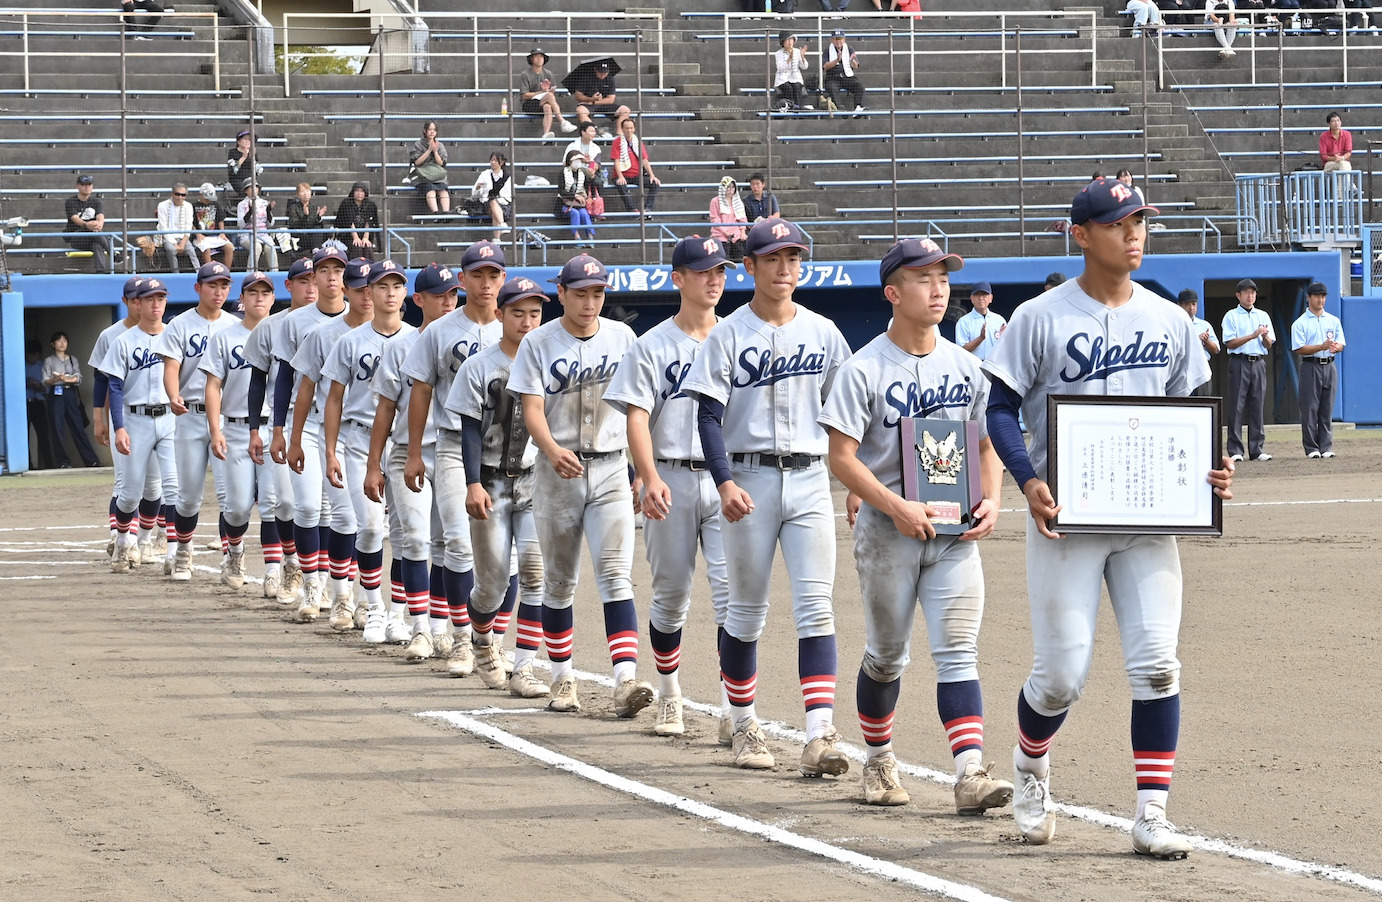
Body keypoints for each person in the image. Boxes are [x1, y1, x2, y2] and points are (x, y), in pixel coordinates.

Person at [980, 177, 1235, 858]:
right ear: (1082, 234)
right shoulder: (1040, 316)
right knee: (1062, 674)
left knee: (1157, 667)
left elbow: (1195, 415)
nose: (1135, 234)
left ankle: (1152, 812)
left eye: (1141, 222)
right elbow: (999, 408)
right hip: (1066, 517)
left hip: (1149, 523)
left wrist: (1215, 467)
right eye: (1120, 222)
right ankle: (1031, 764)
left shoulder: (1171, 321)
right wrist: (1027, 479)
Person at [818, 236, 1012, 812]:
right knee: (886, 655)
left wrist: (994, 499)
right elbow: (842, 457)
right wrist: (893, 504)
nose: (938, 287)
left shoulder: (967, 365)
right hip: (886, 531)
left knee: (958, 653)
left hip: (952, 531)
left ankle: (970, 773)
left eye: (943, 277)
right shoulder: (864, 368)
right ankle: (878, 763)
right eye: (925, 277)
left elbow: (987, 442)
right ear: (892, 292)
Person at [683, 218, 852, 775]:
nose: (785, 268)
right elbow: (708, 415)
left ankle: (820, 732)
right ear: (748, 267)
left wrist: (858, 483)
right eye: (773, 258)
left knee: (816, 605)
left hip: (809, 479)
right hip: (749, 480)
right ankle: (745, 720)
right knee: (746, 609)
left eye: (793, 258)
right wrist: (724, 480)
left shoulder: (825, 332)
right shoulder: (728, 334)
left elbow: (849, 419)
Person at [507, 253, 656, 717]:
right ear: (562, 294)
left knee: (616, 578)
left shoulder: (623, 337)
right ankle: (562, 677)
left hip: (611, 467)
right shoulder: (538, 342)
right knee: (559, 583)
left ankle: (625, 679)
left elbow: (636, 410)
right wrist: (550, 449)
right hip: (557, 472)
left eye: (597, 292)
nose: (590, 302)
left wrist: (641, 470)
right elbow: (531, 407)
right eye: (580, 293)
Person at [605, 235, 734, 738]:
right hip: (671, 476)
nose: (714, 279)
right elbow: (637, 417)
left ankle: (733, 707)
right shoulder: (652, 345)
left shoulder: (736, 337)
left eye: (719, 270)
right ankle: (670, 692)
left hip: (726, 481)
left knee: (733, 598)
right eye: (703, 271)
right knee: (671, 595)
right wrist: (648, 475)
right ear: (678, 278)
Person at [401, 241, 506, 675]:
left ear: (502, 278)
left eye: (493, 274)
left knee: (505, 555)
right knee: (459, 544)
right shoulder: (439, 331)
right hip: (449, 445)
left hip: (507, 451)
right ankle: (463, 639)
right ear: (462, 281)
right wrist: (411, 452)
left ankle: (493, 639)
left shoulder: (516, 329)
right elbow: (421, 391)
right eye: (477, 275)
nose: (485, 283)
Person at [446, 276, 549, 692]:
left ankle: (524, 666)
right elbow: (469, 431)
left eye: (535, 314)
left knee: (536, 572)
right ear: (501, 314)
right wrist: (472, 483)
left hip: (535, 481)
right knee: (491, 584)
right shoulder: (479, 365)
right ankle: (482, 639)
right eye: (518, 313)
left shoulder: (547, 360)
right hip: (490, 480)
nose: (527, 322)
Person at [364, 263, 457, 663]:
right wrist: (374, 465)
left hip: (453, 452)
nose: (448, 302)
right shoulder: (400, 347)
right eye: (439, 295)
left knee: (446, 543)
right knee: (416, 538)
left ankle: (440, 627)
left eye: (453, 294)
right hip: (407, 452)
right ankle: (420, 627)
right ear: (418, 301)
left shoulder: (467, 346)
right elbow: (385, 410)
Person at [322, 259, 415, 643]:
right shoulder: (350, 341)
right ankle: (372, 605)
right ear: (368, 293)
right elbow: (333, 399)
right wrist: (330, 451)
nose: (390, 292)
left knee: (409, 534)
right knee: (372, 526)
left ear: (405, 293)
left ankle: (398, 612)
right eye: (382, 286)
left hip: (407, 441)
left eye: (397, 285)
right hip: (359, 439)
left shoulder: (417, 338)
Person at [272, 247, 350, 622]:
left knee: (342, 513)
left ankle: (343, 591)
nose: (332, 276)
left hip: (352, 426)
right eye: (325, 270)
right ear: (314, 277)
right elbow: (288, 378)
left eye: (339, 269)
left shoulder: (362, 317)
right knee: (306, 507)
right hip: (311, 421)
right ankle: (311, 584)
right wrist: (285, 431)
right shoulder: (295, 321)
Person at [158, 261, 238, 581]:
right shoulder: (180, 324)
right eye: (212, 285)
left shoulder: (236, 326)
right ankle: (183, 551)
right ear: (198, 288)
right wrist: (173, 394)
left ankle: (232, 556)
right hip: (190, 415)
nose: (218, 292)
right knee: (188, 496)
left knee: (230, 496)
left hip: (226, 419)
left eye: (224, 286)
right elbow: (171, 366)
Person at [244, 257, 317, 602]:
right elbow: (258, 380)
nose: (311, 287)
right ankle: (290, 565)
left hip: (327, 423)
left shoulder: (340, 322)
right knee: (284, 503)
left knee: (325, 509)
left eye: (314, 280)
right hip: (283, 419)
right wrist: (256, 428)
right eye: (303, 281)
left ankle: (329, 583)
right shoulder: (270, 327)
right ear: (289, 287)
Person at [202, 271, 278, 590]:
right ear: (242, 299)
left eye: (265, 292)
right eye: (253, 292)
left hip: (275, 427)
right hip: (235, 428)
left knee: (275, 503)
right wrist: (215, 429)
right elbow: (213, 385)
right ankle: (235, 551)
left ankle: (275, 570)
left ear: (273, 298)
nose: (259, 297)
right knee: (236, 507)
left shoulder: (283, 334)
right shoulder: (224, 337)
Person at [100, 279, 178, 573]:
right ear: (138, 303)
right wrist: (118, 426)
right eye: (150, 299)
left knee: (172, 489)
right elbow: (115, 388)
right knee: (130, 492)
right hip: (135, 419)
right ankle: (123, 542)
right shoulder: (123, 341)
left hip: (169, 418)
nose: (156, 304)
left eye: (161, 298)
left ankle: (172, 552)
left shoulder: (175, 337)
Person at [1221, 277, 1274, 462]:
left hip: (1258, 362)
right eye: (1246, 293)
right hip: (1239, 361)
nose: (1250, 296)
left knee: (1257, 405)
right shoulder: (1231, 316)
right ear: (1238, 295)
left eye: (1253, 293)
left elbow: (1268, 345)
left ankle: (1257, 449)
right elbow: (1230, 342)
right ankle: (1235, 450)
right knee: (1236, 405)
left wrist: (1264, 337)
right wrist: (1252, 335)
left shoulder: (1263, 315)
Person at [1290, 281, 1345, 459]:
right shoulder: (1300, 323)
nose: (1320, 300)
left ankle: (1326, 446)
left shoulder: (1333, 320)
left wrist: (1336, 347)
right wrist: (1320, 346)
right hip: (1310, 365)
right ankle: (1312, 447)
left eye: (1323, 296)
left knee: (1327, 407)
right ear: (1308, 298)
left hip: (1329, 364)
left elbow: (1341, 343)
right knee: (1309, 408)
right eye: (1317, 296)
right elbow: (1299, 348)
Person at [43, 331, 101, 468]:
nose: (62, 343)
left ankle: (91, 460)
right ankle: (62, 462)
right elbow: (45, 381)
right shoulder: (49, 361)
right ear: (53, 344)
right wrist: (56, 379)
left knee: (78, 427)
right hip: (55, 395)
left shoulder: (72, 359)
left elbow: (78, 378)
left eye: (65, 340)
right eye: (59, 340)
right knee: (57, 429)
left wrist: (65, 379)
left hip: (70, 393)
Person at [520, 48, 578, 140]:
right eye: (536, 57)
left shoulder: (548, 73)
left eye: (541, 57)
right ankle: (562, 121)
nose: (539, 59)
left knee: (547, 107)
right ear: (531, 59)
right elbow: (524, 95)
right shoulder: (525, 74)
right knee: (549, 97)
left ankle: (546, 134)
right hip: (529, 104)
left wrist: (547, 91)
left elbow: (552, 90)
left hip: (544, 101)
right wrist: (542, 92)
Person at [610, 118, 661, 217]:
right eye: (626, 128)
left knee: (655, 184)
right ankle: (632, 210)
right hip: (622, 174)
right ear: (622, 129)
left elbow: (644, 160)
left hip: (636, 174)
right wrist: (620, 176)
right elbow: (616, 161)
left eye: (631, 128)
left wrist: (652, 175)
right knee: (621, 185)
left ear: (634, 128)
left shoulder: (638, 142)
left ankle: (648, 209)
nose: (629, 130)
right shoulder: (617, 142)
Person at [569, 60, 630, 139]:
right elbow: (578, 96)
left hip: (603, 104)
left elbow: (611, 99)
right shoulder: (586, 78)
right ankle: (592, 133)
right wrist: (591, 99)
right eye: (600, 73)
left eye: (605, 73)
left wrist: (594, 101)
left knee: (625, 110)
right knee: (580, 111)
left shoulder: (610, 79)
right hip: (587, 103)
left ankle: (619, 135)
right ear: (595, 70)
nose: (603, 75)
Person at [64, 174, 112, 272]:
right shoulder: (70, 202)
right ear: (77, 186)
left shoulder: (96, 202)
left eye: (89, 184)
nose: (87, 187)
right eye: (84, 184)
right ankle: (113, 253)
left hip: (94, 236)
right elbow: (75, 218)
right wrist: (87, 225)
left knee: (97, 245)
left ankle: (100, 272)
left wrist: (99, 224)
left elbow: (100, 216)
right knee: (95, 233)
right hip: (77, 237)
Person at [1176, 288, 1219, 397]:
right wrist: (1196, 339)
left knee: (1203, 404)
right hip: (1182, 369)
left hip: (1202, 369)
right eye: (1187, 304)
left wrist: (1206, 340)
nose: (1191, 308)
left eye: (1194, 304)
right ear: (1179, 305)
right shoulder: (1174, 325)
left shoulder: (1204, 325)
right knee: (1184, 405)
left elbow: (1215, 350)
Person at [954, 281, 1006, 360]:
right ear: (972, 298)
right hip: (973, 367)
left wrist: (1005, 338)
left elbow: (1006, 348)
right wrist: (980, 338)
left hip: (994, 366)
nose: (981, 298)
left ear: (990, 298)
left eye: (984, 294)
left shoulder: (999, 320)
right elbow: (961, 350)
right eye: (977, 294)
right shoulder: (964, 322)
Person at [25, 339, 56, 470]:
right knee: (24, 437)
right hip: (25, 404)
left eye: (35, 355)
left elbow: (48, 388)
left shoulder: (42, 366)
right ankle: (28, 465)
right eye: (30, 355)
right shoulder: (21, 366)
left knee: (43, 435)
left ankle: (49, 465)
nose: (32, 358)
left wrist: (38, 386)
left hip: (39, 403)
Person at [409, 121, 451, 214]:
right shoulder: (418, 144)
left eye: (434, 130)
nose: (432, 132)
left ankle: (446, 213)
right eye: (430, 129)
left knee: (443, 190)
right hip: (423, 174)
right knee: (430, 189)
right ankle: (435, 212)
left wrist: (435, 151)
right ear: (425, 131)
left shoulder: (440, 145)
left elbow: (441, 163)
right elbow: (417, 162)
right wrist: (429, 150)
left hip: (437, 174)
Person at [155, 183, 197, 273]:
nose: (180, 197)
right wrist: (175, 244)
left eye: (183, 195)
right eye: (177, 194)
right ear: (172, 194)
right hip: (167, 237)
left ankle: (199, 273)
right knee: (171, 250)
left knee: (191, 250)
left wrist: (183, 242)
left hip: (183, 237)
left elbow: (188, 225)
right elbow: (163, 228)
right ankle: (175, 274)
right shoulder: (162, 205)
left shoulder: (189, 206)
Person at [236, 183, 279, 272]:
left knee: (270, 247)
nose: (254, 189)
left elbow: (270, 224)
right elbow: (241, 224)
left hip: (264, 235)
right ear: (246, 191)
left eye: (256, 187)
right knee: (257, 247)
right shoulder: (241, 204)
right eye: (250, 188)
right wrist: (250, 212)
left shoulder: (264, 203)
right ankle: (250, 273)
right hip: (247, 236)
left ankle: (275, 274)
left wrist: (268, 211)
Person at [822, 28, 866, 114]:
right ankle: (839, 108)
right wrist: (836, 61)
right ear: (832, 40)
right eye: (836, 39)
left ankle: (858, 107)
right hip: (833, 77)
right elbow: (825, 66)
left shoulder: (849, 49)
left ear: (844, 39)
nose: (838, 41)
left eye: (840, 39)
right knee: (831, 87)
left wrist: (852, 61)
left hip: (847, 76)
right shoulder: (827, 51)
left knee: (859, 85)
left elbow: (856, 66)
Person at [472, 151, 513, 242]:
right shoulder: (485, 174)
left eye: (495, 160)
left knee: (495, 209)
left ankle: (496, 239)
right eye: (491, 160)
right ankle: (502, 224)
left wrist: (499, 199)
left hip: (502, 204)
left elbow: (508, 195)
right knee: (492, 202)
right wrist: (478, 188)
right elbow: (474, 194)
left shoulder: (507, 177)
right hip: (485, 203)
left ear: (501, 162)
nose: (492, 162)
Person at [190, 182, 234, 267]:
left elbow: (220, 220)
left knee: (229, 247)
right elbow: (191, 223)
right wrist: (197, 234)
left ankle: (226, 272)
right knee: (206, 249)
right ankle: (210, 271)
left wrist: (222, 233)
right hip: (201, 236)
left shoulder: (216, 205)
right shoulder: (193, 206)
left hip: (215, 235)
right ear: (201, 195)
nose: (208, 200)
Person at [334, 181, 380, 259]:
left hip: (364, 234)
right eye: (357, 191)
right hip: (348, 234)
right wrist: (355, 237)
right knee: (356, 247)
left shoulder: (370, 204)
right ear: (353, 192)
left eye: (362, 191)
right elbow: (349, 221)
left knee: (367, 247)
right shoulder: (346, 203)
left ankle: (369, 268)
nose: (359, 193)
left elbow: (369, 222)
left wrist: (365, 237)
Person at [560, 149, 597, 243]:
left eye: (580, 160)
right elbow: (561, 191)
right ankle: (577, 238)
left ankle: (590, 237)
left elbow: (591, 187)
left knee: (584, 213)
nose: (578, 162)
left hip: (580, 203)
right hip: (565, 204)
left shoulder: (582, 173)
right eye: (576, 160)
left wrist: (592, 177)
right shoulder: (563, 173)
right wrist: (575, 196)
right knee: (575, 213)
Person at [709, 177, 748, 262]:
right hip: (719, 235)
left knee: (740, 258)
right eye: (728, 187)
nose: (730, 189)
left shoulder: (738, 201)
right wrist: (725, 232)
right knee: (723, 260)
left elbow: (742, 218)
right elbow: (715, 219)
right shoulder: (715, 201)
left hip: (736, 235)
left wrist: (742, 231)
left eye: (732, 187)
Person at [772, 32, 813, 112]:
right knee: (788, 88)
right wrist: (789, 59)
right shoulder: (778, 54)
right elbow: (780, 68)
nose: (790, 42)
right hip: (782, 79)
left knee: (797, 86)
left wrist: (802, 56)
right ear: (783, 42)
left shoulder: (797, 51)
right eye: (787, 40)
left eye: (791, 39)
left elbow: (805, 67)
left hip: (795, 78)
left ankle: (798, 107)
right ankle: (791, 107)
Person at [285, 182, 326, 259]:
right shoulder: (293, 207)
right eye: (302, 191)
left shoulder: (314, 207)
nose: (305, 194)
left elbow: (318, 225)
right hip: (300, 236)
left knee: (317, 229)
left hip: (312, 235)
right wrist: (305, 215)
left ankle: (316, 251)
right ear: (298, 194)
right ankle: (316, 251)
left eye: (307, 191)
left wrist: (319, 217)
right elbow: (294, 225)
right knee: (313, 234)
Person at [227, 130, 263, 195]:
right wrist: (244, 157)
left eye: (249, 139)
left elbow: (259, 170)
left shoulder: (253, 153)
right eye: (245, 139)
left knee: (256, 190)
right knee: (246, 191)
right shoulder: (232, 152)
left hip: (250, 179)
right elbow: (233, 170)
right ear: (238, 141)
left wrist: (252, 158)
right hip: (237, 179)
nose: (247, 141)